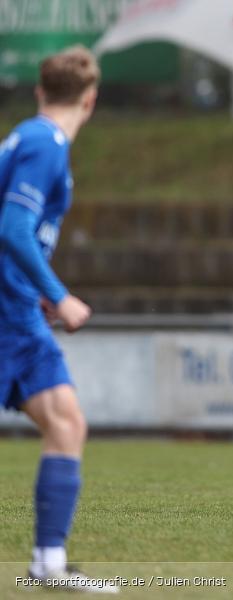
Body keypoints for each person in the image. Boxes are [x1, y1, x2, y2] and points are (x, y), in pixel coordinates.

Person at [0, 46, 119, 593]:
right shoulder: (45, 144)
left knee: (66, 422)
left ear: (40, 91)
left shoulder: (29, 138)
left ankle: (49, 564)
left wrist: (38, 292)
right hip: (9, 312)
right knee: (67, 423)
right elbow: (13, 228)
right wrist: (59, 294)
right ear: (90, 101)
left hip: (19, 309)